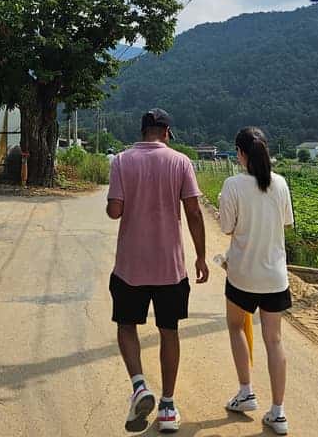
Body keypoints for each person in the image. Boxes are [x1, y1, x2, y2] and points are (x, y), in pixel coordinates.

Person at [106, 108, 209, 433]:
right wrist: (201, 257)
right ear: (165, 132)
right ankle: (167, 407)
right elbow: (193, 211)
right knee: (169, 331)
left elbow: (114, 211)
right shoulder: (180, 162)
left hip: (130, 266)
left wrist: (122, 199)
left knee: (126, 325)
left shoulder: (121, 161)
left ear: (142, 131)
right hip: (170, 267)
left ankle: (139, 385)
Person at [218, 127, 294, 436]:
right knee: (274, 341)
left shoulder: (233, 185)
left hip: (242, 274)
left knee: (236, 327)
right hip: (275, 277)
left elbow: (226, 227)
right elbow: (285, 223)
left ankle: (246, 392)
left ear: (240, 153)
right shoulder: (280, 183)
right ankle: (278, 412)